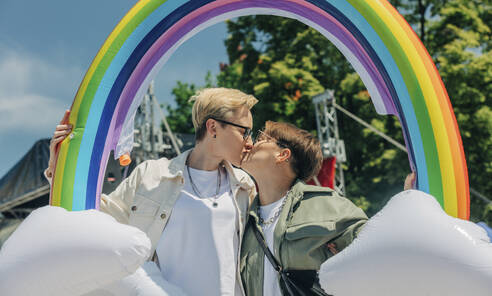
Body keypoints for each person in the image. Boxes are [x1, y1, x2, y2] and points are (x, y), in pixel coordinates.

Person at [45, 87, 258, 296]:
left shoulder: (245, 186)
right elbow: (92, 218)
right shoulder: (152, 175)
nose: (250, 142)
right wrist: (59, 167)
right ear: (212, 127)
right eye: (244, 131)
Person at [239, 121, 368, 296]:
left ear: (282, 155)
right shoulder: (243, 216)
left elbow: (378, 253)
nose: (250, 143)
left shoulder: (325, 205)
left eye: (262, 137)